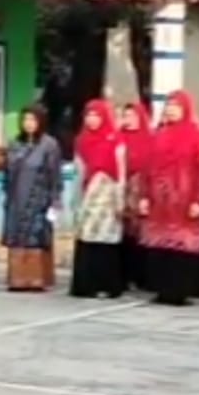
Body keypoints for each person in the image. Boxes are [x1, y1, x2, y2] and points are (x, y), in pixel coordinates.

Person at [139, 91, 199, 306]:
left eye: (176, 106)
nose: (171, 109)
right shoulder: (158, 135)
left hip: (185, 201)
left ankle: (180, 291)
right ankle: (162, 289)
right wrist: (144, 196)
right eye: (168, 105)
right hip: (160, 202)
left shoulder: (196, 136)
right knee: (160, 246)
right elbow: (147, 168)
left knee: (182, 247)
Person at [2, 103, 63, 292]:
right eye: (25, 119)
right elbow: (7, 172)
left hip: (39, 198)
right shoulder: (15, 144)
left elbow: (55, 174)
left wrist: (55, 199)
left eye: (32, 120)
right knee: (17, 235)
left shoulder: (49, 145)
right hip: (16, 199)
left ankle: (36, 279)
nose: (28, 124)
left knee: (36, 236)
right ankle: (18, 279)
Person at [70, 99, 126, 298]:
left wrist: (120, 200)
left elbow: (121, 172)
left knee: (106, 241)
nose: (92, 120)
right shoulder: (81, 141)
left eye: (96, 116)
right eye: (88, 116)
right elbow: (78, 173)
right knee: (87, 239)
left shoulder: (115, 141)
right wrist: (75, 202)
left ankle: (107, 285)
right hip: (88, 196)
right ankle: (86, 285)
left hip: (108, 197)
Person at [116, 102, 153, 294]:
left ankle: (140, 276)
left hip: (141, 188)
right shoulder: (118, 138)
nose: (128, 119)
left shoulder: (148, 139)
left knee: (140, 234)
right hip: (122, 187)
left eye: (132, 115)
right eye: (126, 115)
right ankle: (123, 275)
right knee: (123, 233)